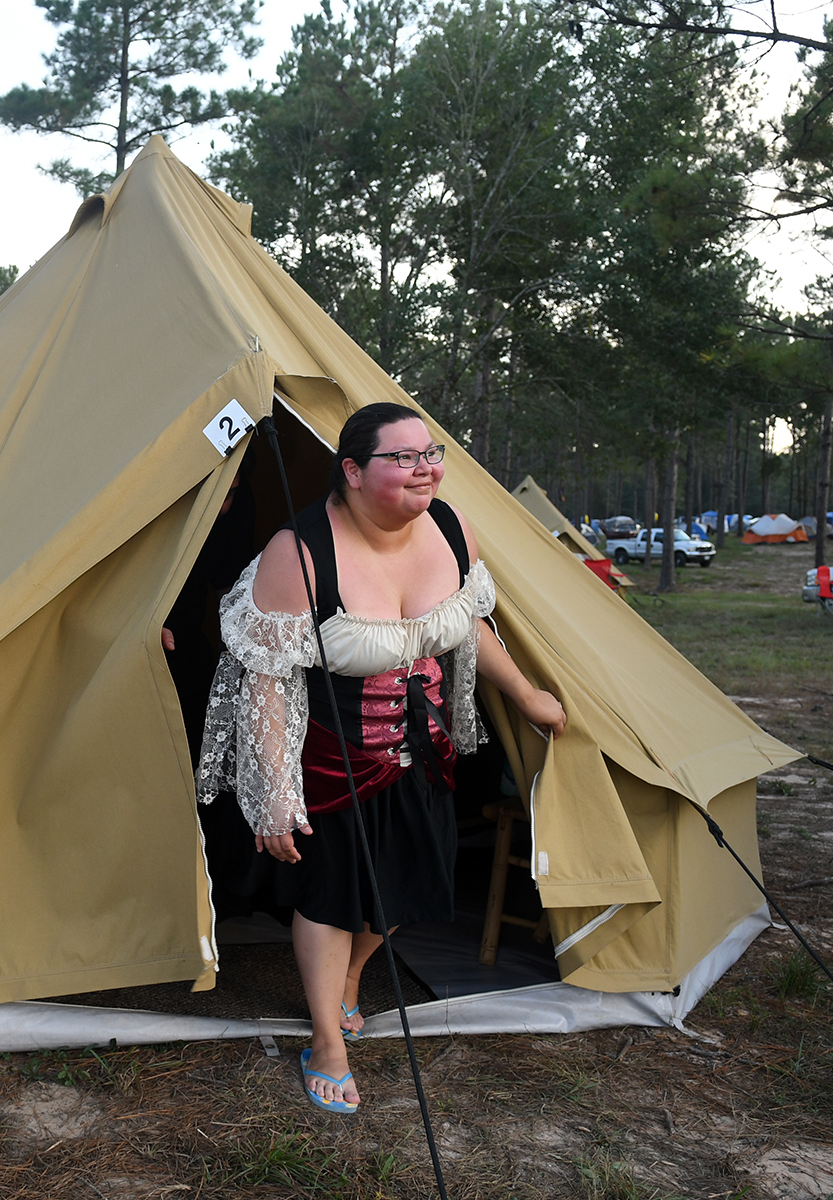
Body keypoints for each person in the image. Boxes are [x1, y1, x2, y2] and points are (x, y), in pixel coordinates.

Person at [198, 402, 566, 1114]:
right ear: (354, 471)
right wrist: (273, 793)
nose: (425, 467)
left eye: (430, 453)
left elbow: (468, 623)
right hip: (335, 758)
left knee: (402, 891)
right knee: (334, 901)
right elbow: (266, 681)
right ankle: (325, 1043)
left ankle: (352, 980)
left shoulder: (454, 527)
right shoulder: (300, 552)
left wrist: (525, 694)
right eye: (402, 457)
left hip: (424, 753)